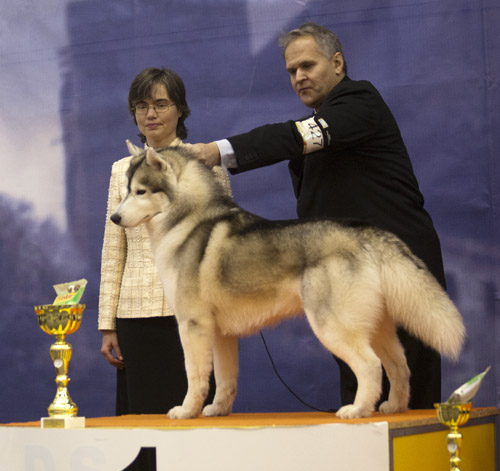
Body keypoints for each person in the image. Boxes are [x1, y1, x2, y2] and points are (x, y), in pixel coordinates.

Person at [189, 22, 445, 410]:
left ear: (337, 63)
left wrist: (218, 150)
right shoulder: (319, 121)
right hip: (346, 269)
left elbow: (292, 136)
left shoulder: (359, 101)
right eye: (292, 71)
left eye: (307, 65)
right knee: (359, 381)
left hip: (398, 259)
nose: (299, 77)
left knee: (414, 394)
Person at [99, 67, 231, 415]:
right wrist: (107, 324)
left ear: (180, 110)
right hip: (136, 312)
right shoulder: (120, 170)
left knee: (200, 416)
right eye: (141, 106)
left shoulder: (207, 164)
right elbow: (114, 251)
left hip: (197, 308)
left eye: (160, 104)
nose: (151, 114)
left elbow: (223, 243)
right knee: (142, 422)